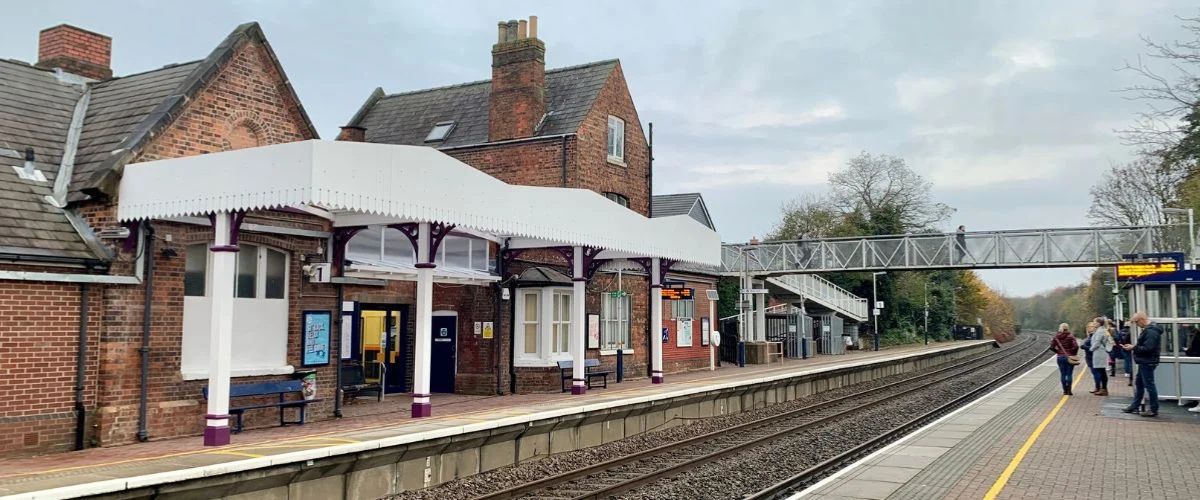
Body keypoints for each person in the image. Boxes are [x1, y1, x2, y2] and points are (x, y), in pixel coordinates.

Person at [1122, 312, 1161, 417]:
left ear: (1142, 319)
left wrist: (1133, 347)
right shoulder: (1151, 330)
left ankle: (1153, 409)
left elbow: (1148, 348)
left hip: (1147, 361)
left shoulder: (1151, 332)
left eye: (1136, 322)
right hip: (1146, 361)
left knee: (1149, 385)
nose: (1137, 325)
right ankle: (1135, 405)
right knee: (1139, 384)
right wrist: (1134, 347)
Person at [1050, 323, 1079, 396]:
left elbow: (1051, 347)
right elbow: (1076, 346)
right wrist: (1073, 353)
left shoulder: (1056, 337)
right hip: (1069, 357)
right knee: (1069, 374)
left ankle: (1064, 391)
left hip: (1060, 357)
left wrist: (1058, 352)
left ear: (1060, 328)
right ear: (1067, 328)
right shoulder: (1071, 336)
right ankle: (1069, 391)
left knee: (1063, 374)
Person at [1088, 318, 1113, 396]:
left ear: (1098, 323)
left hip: (1099, 352)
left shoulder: (1100, 331)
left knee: (1101, 371)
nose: (1093, 323)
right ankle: (1102, 388)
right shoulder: (1102, 330)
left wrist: (1091, 349)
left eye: (1095, 322)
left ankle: (1104, 389)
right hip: (1100, 352)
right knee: (1101, 371)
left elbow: (1097, 342)